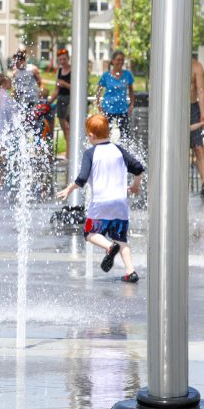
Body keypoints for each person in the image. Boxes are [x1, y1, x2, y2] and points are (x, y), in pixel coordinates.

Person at [57, 113, 144, 283]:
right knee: (121, 238)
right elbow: (139, 168)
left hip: (101, 203)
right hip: (120, 203)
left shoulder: (90, 153)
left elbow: (82, 178)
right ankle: (130, 271)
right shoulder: (118, 149)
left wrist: (68, 189)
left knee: (90, 233)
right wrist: (136, 186)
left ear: (90, 135)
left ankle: (109, 246)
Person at [96, 50, 135, 141]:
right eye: (118, 60)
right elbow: (98, 90)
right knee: (105, 134)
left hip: (122, 109)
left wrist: (131, 104)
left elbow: (132, 90)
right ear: (113, 61)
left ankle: (123, 154)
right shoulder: (106, 75)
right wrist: (98, 104)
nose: (120, 62)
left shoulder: (127, 75)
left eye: (122, 60)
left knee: (125, 136)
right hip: (108, 109)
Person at [190, 57, 204, 195]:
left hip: (193, 107)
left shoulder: (196, 66)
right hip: (176, 106)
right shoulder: (173, 63)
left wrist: (203, 111)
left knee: (198, 147)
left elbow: (200, 90)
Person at [49, 48, 72, 160]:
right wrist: (48, 103)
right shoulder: (59, 72)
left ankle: (69, 154)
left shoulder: (73, 71)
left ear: (68, 58)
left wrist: (65, 84)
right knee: (64, 129)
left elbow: (76, 88)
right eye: (60, 60)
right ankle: (68, 153)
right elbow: (56, 90)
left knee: (69, 128)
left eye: (64, 59)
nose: (62, 61)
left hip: (70, 100)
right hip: (61, 100)